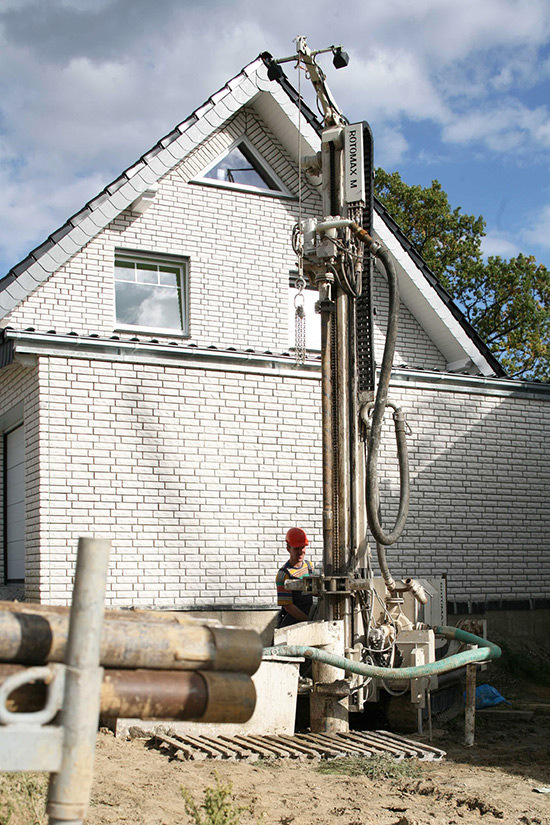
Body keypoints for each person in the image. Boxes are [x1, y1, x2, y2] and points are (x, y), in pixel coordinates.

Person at [276, 527, 313, 629]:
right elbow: (288, 606)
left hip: (307, 617)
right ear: (288, 549)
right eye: (296, 548)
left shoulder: (309, 567)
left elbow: (314, 591)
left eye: (303, 547)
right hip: (291, 623)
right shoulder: (283, 575)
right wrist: (308, 621)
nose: (300, 552)